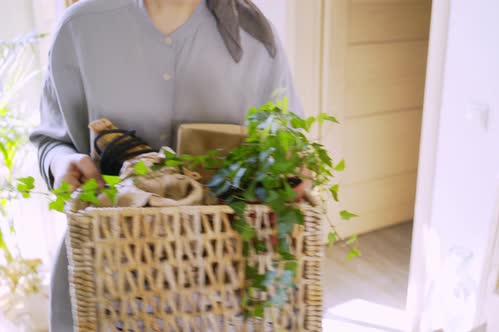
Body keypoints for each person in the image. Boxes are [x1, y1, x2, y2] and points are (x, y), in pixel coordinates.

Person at [29, 0, 301, 330]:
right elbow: (50, 140)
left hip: (219, 285)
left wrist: (289, 178)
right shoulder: (80, 27)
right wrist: (62, 162)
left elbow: (289, 152)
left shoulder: (257, 38)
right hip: (106, 275)